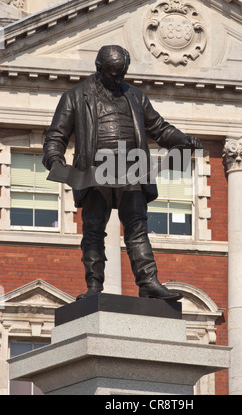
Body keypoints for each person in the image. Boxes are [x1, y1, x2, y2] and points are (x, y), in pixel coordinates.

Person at [43, 45, 202, 301]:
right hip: (95, 172)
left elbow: (159, 128)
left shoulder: (135, 96)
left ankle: (148, 281)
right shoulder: (75, 96)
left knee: (137, 227)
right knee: (94, 229)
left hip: (132, 168)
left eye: (122, 73)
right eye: (114, 74)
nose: (119, 79)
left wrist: (183, 139)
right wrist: (54, 160)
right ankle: (94, 286)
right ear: (99, 69)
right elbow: (57, 136)